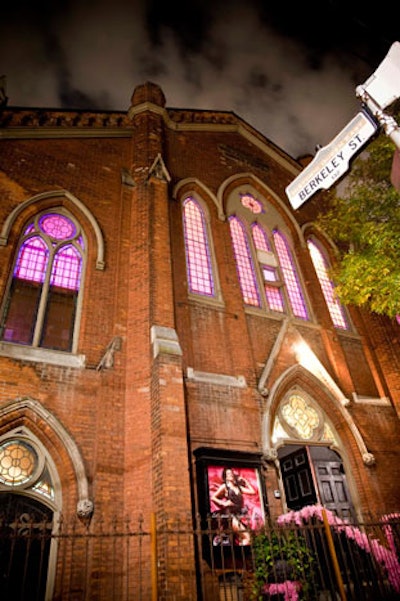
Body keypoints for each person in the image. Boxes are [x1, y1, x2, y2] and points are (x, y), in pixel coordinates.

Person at [210, 467, 256, 545]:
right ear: (225, 477)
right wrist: (223, 503)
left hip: (239, 514)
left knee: (244, 538)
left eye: (231, 473)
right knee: (247, 537)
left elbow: (253, 491)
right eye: (228, 474)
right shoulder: (225, 487)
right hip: (230, 515)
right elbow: (213, 497)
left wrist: (245, 481)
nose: (231, 475)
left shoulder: (239, 488)